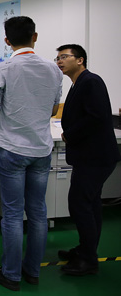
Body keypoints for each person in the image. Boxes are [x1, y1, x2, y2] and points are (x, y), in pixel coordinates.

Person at [0, 16, 63, 291]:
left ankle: (11, 274)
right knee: (38, 213)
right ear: (35, 37)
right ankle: (32, 271)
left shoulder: (3, 69)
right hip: (41, 149)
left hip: (13, 149)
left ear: (7, 41)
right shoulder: (53, 70)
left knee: (13, 214)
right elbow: (53, 109)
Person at [55, 44, 121, 276]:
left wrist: (70, 134)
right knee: (90, 204)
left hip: (96, 156)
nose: (59, 61)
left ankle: (88, 260)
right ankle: (86, 250)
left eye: (64, 57)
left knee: (79, 203)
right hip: (90, 156)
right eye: (57, 58)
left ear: (80, 60)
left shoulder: (91, 81)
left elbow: (96, 117)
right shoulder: (78, 83)